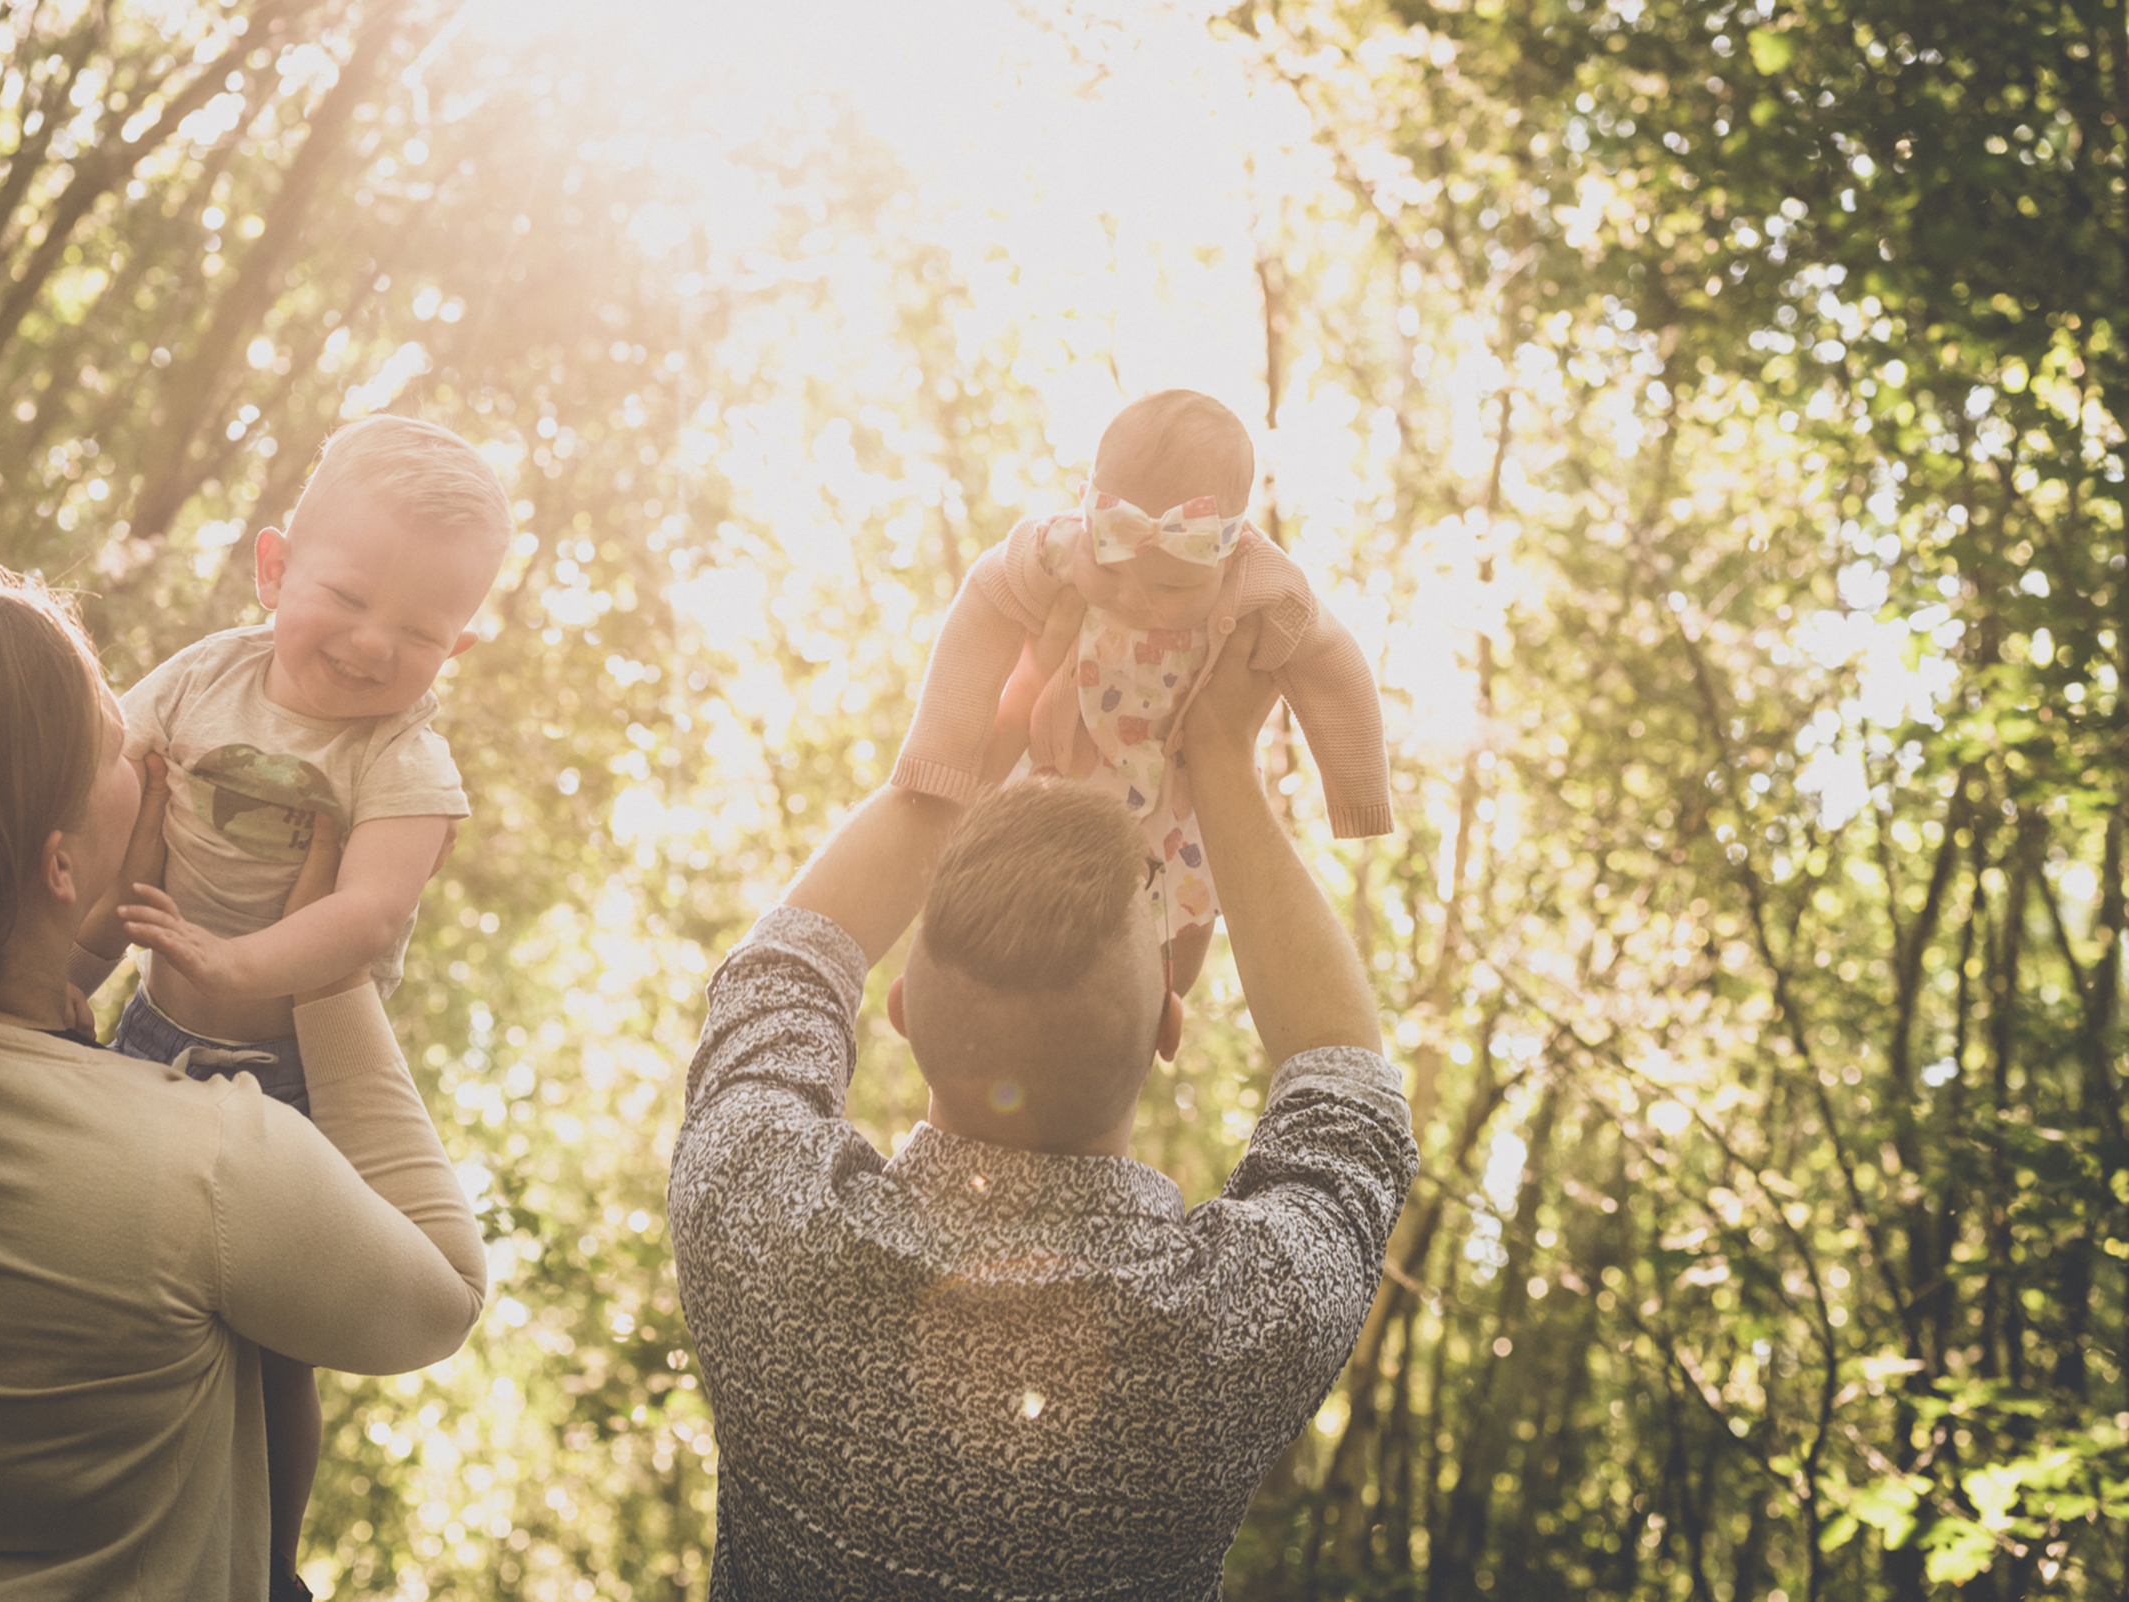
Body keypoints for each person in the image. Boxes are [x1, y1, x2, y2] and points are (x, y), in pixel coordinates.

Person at [0, 569, 486, 1600]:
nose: (141, 749)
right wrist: (325, 965)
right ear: (56, 863)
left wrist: (102, 915)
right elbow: (440, 1299)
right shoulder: (204, 1165)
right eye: (112, 737)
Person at [668, 614, 1419, 1599]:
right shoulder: (1233, 1332)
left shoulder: (761, 1223)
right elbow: (1347, 1094)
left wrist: (1006, 716)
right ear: (1168, 1028)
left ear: (896, 1010)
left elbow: (785, 968)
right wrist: (1223, 758)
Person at [71, 412, 509, 1577]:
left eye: (420, 631)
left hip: (291, 1080)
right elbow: (109, 756)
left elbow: (364, 917)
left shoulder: (404, 761)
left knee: (276, 1355)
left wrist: (238, 964)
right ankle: (110, 1504)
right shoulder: (208, 672)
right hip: (153, 1026)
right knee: (116, 1281)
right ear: (276, 569)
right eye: (351, 598)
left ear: (456, 650)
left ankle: (266, 1558)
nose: (375, 645)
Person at [892, 388, 1392, 993]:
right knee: (999, 899)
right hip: (1061, 774)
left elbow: (1331, 665)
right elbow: (979, 612)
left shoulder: (1260, 582)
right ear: (1087, 516)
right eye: (1110, 570)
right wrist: (940, 754)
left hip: (1178, 798)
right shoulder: (1056, 546)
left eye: (1169, 587)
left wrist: (1357, 792)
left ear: (1226, 553)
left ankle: (1159, 1010)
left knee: (1191, 913)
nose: (1133, 598)